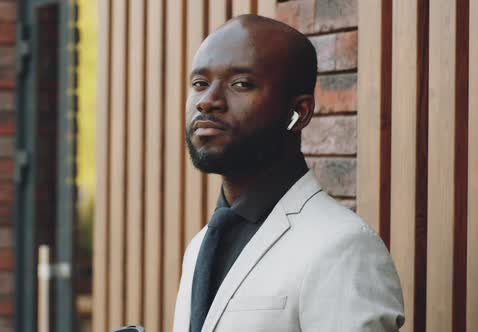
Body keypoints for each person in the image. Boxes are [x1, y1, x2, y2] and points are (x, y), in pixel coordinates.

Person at [172, 14, 405, 332]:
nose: (208, 101)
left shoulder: (343, 248)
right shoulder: (199, 247)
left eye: (241, 84)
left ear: (300, 111)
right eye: (200, 83)